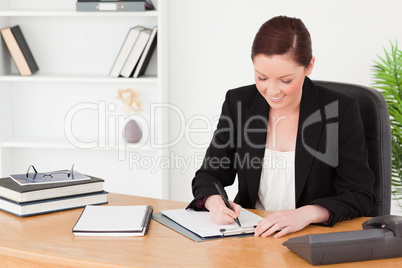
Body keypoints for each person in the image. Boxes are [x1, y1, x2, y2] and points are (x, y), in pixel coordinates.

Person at [187, 15, 375, 238]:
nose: (273, 91)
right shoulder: (238, 103)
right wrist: (214, 202)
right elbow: (209, 175)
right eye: (262, 77)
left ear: (309, 66)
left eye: (286, 80)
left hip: (312, 238)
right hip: (251, 237)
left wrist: (305, 214)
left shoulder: (339, 110)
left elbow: (359, 194)